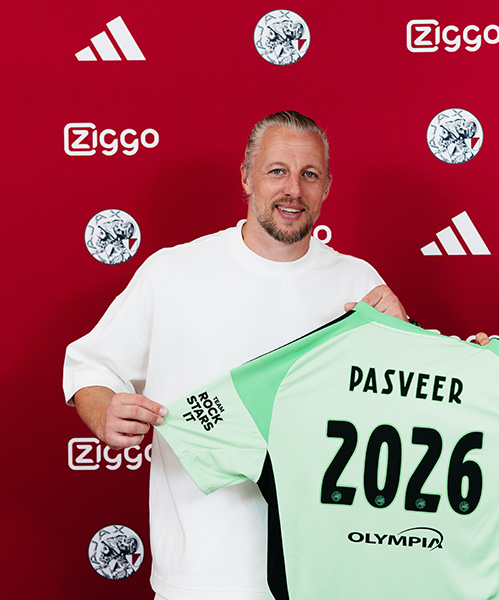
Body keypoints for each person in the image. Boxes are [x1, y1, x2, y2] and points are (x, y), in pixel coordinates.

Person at [63, 110, 408, 600]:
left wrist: (407, 335)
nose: (294, 189)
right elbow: (92, 365)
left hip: (326, 574)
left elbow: (405, 410)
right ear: (246, 177)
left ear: (327, 187)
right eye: (277, 171)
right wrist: (103, 411)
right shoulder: (173, 272)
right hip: (200, 576)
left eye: (310, 174)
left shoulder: (358, 282)